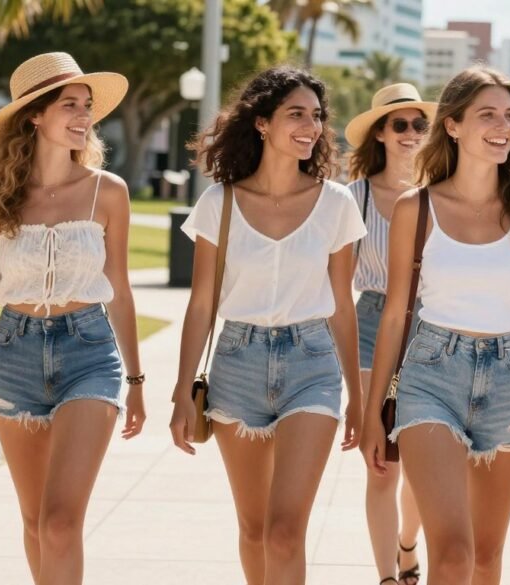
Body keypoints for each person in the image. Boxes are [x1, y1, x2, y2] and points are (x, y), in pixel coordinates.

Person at [359, 65, 510, 585]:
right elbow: (393, 316)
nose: (503, 126)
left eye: (509, 116)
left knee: (485, 557)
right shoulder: (418, 206)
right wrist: (371, 414)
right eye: (487, 115)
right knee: (452, 554)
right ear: (453, 125)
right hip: (432, 375)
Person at [169, 66, 365, 585]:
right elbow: (201, 303)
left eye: (317, 116)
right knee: (255, 529)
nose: (311, 126)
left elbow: (342, 306)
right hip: (237, 363)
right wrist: (179, 393)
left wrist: (360, 399)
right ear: (261, 123)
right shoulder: (220, 202)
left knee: (284, 532)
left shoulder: (336, 203)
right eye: (296, 114)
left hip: (313, 364)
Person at [0, 52, 145, 584]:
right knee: (34, 519)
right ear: (34, 116)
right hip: (13, 353)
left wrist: (136, 380)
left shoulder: (107, 191)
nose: (83, 116)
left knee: (59, 521)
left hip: (89, 353)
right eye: (69, 104)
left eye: (87, 107)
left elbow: (119, 291)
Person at [344, 82, 437, 585]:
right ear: (379, 132)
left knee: (423, 463)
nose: (410, 133)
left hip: (432, 325)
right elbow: (335, 285)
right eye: (398, 124)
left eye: (419, 124)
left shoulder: (443, 191)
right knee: (380, 460)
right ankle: (385, 576)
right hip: (372, 320)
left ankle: (407, 544)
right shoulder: (352, 197)